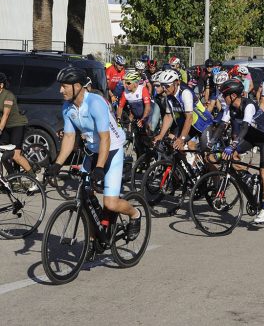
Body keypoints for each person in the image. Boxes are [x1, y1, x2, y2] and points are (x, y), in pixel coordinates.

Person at [46, 67, 141, 241]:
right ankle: (93, 237)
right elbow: (69, 136)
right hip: (92, 150)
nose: (60, 90)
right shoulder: (68, 108)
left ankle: (135, 214)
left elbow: (105, 139)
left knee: (110, 203)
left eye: (64, 86)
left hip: (112, 149)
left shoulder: (95, 103)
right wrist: (57, 164)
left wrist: (98, 168)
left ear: (76, 86)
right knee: (84, 196)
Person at [211, 79, 264, 224]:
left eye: (224, 94)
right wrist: (212, 142)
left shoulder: (249, 106)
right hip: (251, 137)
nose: (222, 97)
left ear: (233, 95)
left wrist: (233, 144)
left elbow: (245, 127)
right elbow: (222, 125)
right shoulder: (230, 107)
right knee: (230, 156)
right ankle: (249, 178)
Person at [153, 70, 213, 152]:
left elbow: (189, 118)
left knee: (207, 155)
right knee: (175, 147)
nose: (164, 89)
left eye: (167, 86)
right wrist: (160, 135)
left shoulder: (185, 93)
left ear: (176, 83)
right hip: (190, 125)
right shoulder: (169, 96)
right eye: (162, 86)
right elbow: (168, 116)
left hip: (203, 123)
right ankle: (184, 164)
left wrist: (182, 139)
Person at [0, 73, 37, 183]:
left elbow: (5, 115)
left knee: (16, 155)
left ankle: (34, 179)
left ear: (1, 85)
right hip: (6, 126)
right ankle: (13, 178)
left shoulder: (8, 95)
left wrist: (0, 130)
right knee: (3, 155)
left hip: (17, 125)